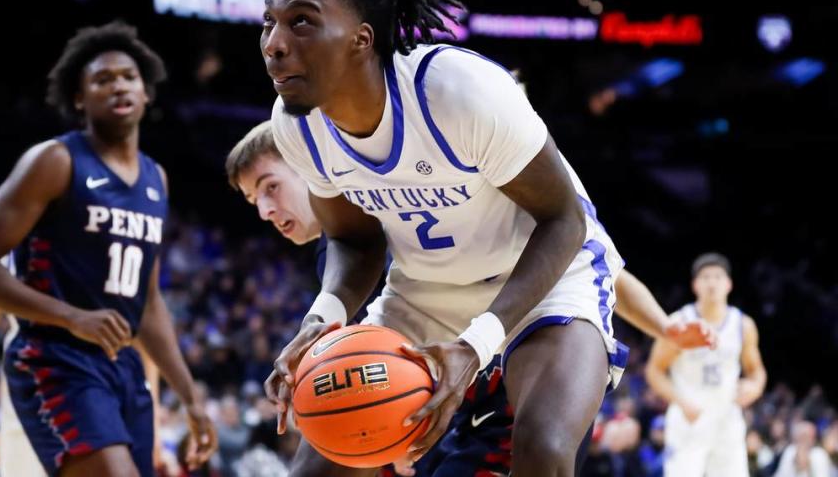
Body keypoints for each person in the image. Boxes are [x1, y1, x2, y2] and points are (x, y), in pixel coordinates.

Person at [230, 45, 710, 477]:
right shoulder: (354, 240)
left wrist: (664, 328)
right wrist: (378, 428)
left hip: (509, 388)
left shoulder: (507, 184)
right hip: (447, 394)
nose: (267, 211)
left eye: (270, 187)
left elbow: (605, 274)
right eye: (254, 202)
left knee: (540, 446)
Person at [0, 21, 217, 477]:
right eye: (102, 79)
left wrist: (190, 397)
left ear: (147, 92)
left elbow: (148, 303)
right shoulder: (54, 161)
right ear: (79, 98)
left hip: (123, 368)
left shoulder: (157, 180)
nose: (118, 85)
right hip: (55, 358)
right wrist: (71, 316)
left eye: (129, 76)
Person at [0, 287, 164, 476]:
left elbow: (142, 327)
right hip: (33, 379)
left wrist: (153, 413)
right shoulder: (10, 235)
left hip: (110, 379)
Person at [646, 252, 768, 477]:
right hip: (689, 417)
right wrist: (681, 402)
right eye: (705, 277)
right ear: (695, 285)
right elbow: (654, 370)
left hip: (727, 418)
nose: (712, 282)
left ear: (729, 284)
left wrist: (755, 387)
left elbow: (756, 370)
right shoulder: (679, 322)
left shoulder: (743, 324)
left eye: (718, 277)